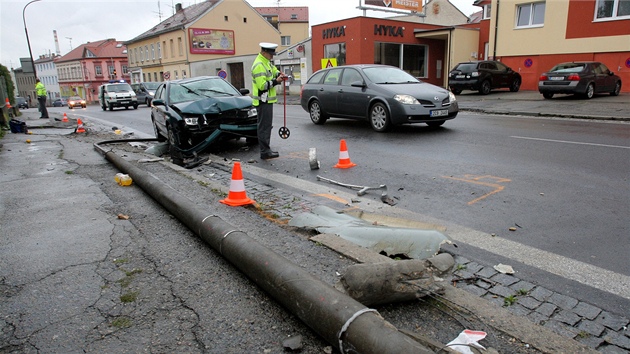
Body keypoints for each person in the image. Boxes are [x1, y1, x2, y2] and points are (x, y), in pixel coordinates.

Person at [251, 42, 287, 160]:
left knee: (266, 126)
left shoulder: (265, 62)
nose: (272, 56)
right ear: (264, 52)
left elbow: (272, 70)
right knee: (264, 127)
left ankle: (266, 150)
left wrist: (279, 74)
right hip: (263, 101)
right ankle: (265, 152)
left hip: (266, 100)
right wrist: (276, 81)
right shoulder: (259, 65)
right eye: (270, 54)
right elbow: (262, 86)